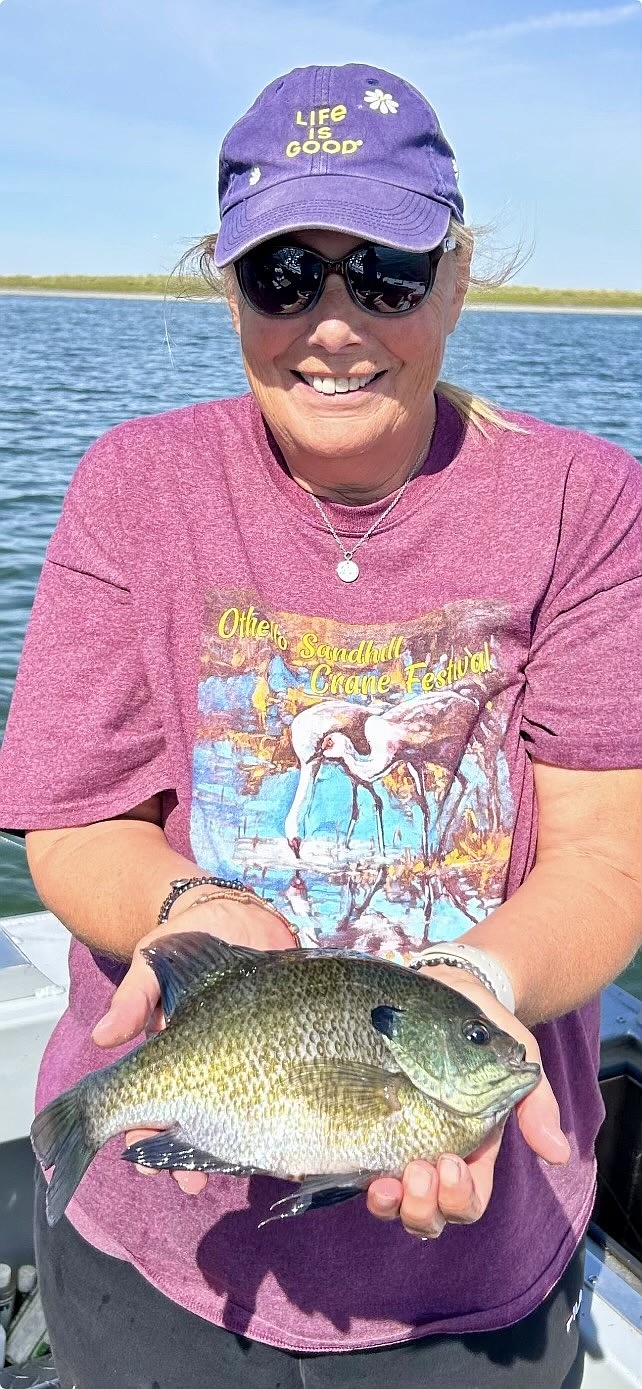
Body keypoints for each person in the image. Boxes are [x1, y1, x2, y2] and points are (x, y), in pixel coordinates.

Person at [0, 61, 640, 1389]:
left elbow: (605, 857)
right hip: (158, 1250)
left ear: (457, 276)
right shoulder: (133, 487)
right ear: (226, 284)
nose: (333, 324)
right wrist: (186, 903)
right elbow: (72, 822)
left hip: (473, 1265)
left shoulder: (587, 502)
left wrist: (482, 992)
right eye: (284, 275)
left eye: (385, 273)